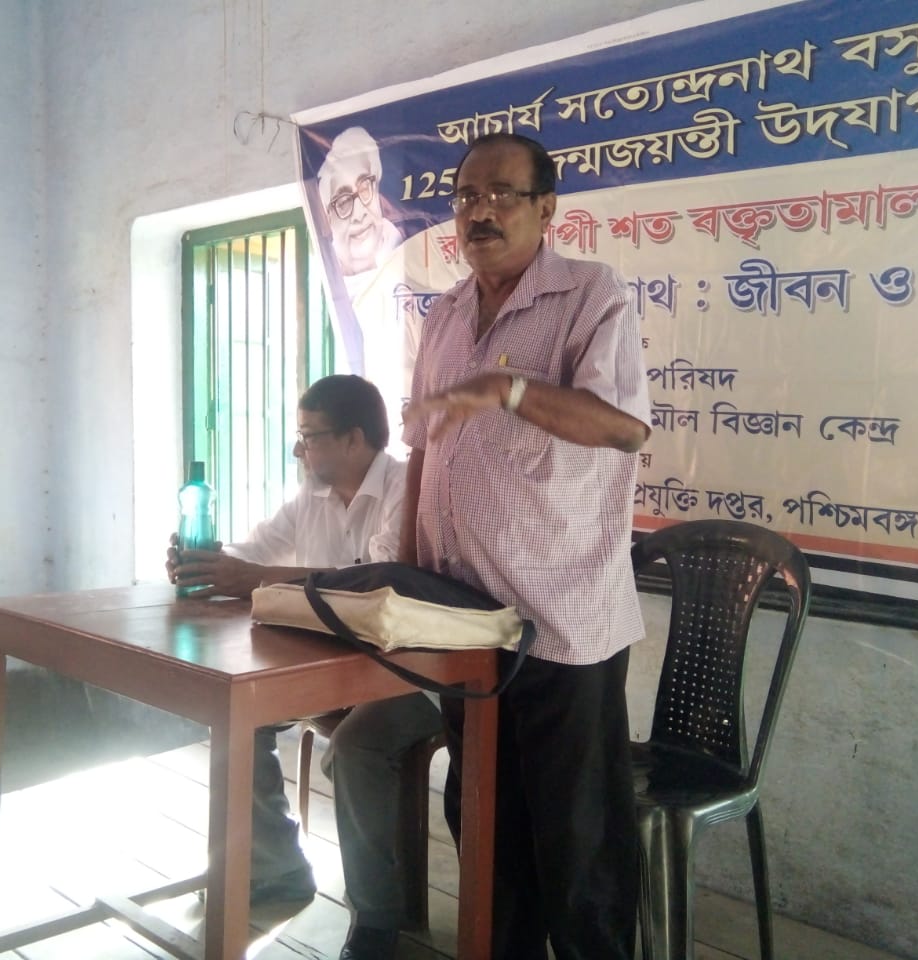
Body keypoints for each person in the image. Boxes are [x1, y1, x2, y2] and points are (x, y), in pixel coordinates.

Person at [399, 133, 652, 960]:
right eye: (467, 196)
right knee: (484, 827)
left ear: (547, 210)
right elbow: (423, 450)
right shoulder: (443, 314)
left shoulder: (590, 294)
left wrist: (507, 388)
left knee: (577, 847)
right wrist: (406, 574)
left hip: (561, 621)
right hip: (463, 619)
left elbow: (622, 427)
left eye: (502, 194)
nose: (481, 212)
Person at [168, 374, 443, 960]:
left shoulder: (406, 487)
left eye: (310, 436)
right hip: (331, 665)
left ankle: (376, 918)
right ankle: (277, 869)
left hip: (416, 669)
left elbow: (378, 578)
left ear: (354, 438)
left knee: (358, 745)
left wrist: (255, 578)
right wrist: (205, 561)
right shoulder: (310, 498)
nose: (300, 449)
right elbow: (253, 552)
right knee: (239, 717)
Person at [318, 127, 404, 279]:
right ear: (328, 217)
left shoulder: (409, 253)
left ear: (376, 188)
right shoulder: (324, 276)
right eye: (343, 202)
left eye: (364, 188)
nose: (359, 215)